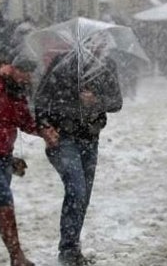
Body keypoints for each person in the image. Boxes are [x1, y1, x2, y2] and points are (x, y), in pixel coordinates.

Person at [34, 36, 123, 266]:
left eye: (97, 42)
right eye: (88, 42)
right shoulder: (61, 65)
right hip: (64, 138)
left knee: (83, 196)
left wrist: (95, 100)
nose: (94, 46)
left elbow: (116, 102)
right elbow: (41, 99)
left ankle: (72, 247)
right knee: (76, 190)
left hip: (90, 138)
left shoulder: (106, 67)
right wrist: (44, 125)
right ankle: (68, 250)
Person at [0, 58, 59, 266]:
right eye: (23, 72)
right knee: (3, 198)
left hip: (2, 155)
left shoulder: (17, 93)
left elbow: (23, 121)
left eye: (30, 74)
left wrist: (43, 131)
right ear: (11, 69)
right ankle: (17, 256)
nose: (27, 77)